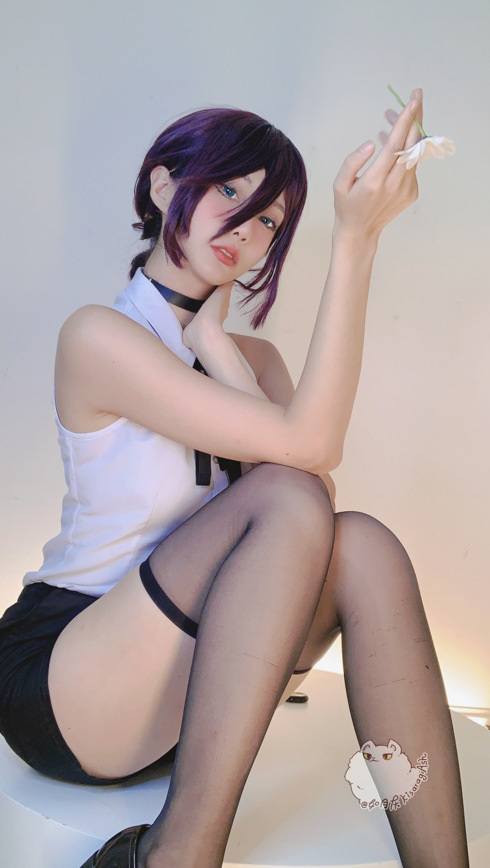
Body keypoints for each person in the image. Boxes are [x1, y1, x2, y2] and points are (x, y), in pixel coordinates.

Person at [0, 92, 469, 868]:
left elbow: (311, 510)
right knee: (288, 493)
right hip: (67, 681)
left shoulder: (251, 362)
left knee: (363, 544)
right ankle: (177, 854)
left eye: (271, 221)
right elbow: (303, 461)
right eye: (228, 189)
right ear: (162, 186)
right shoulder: (99, 338)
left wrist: (217, 344)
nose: (248, 227)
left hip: (193, 699)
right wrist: (356, 241)